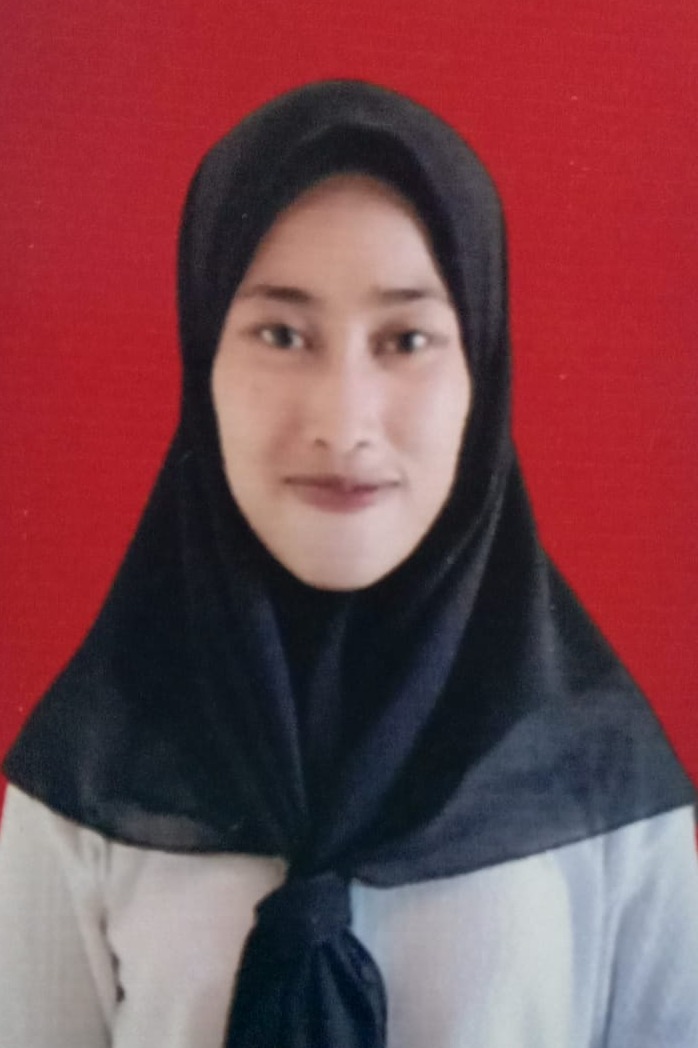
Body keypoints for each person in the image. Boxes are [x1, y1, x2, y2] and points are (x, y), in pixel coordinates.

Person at [0, 79, 696, 1048]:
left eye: (406, 339)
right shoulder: (89, 773)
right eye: (281, 334)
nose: (342, 421)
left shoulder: (600, 781)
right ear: (203, 359)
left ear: (480, 371)